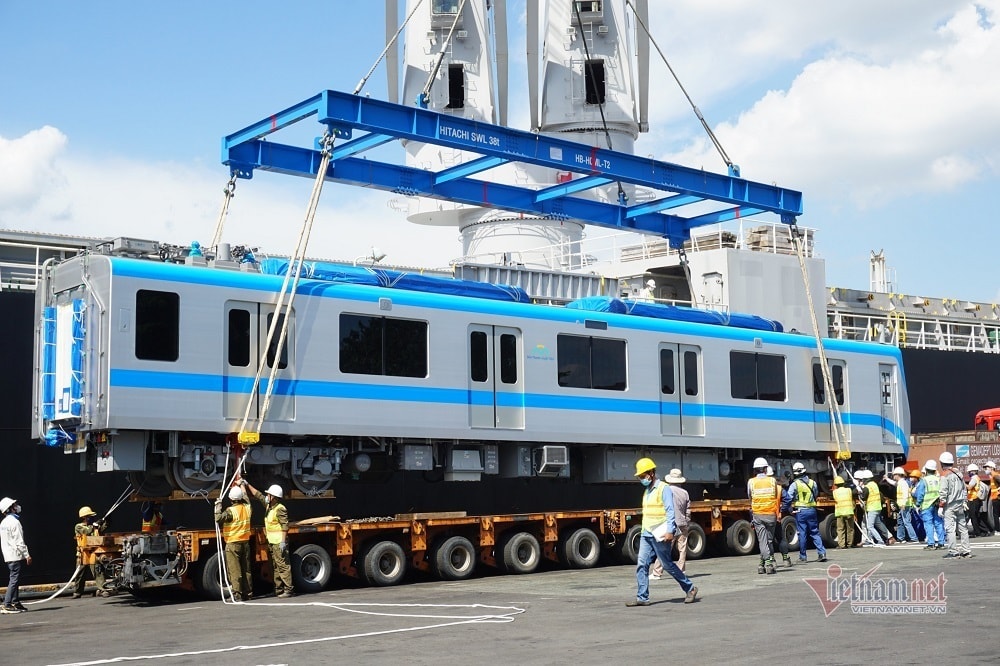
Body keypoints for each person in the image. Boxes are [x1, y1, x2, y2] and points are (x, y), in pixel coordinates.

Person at [626, 458, 698, 607]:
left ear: (651, 473)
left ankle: (690, 588)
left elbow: (670, 511)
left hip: (661, 534)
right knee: (642, 564)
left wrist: (670, 531)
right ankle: (642, 597)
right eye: (639, 477)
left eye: (642, 475)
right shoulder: (647, 491)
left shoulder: (663, 488)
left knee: (667, 565)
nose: (641, 479)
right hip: (647, 533)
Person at [245, 481, 294, 598]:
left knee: (283, 566)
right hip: (272, 542)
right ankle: (278, 590)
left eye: (269, 495)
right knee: (275, 567)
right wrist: (247, 484)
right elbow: (258, 495)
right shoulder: (269, 507)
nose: (266, 496)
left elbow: (285, 526)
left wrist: (282, 541)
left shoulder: (280, 509)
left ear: (274, 497)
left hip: (278, 542)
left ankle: (288, 589)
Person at [215, 483, 253, 601]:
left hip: (233, 543)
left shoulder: (231, 511)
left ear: (230, 499)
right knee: (246, 569)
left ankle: (237, 595)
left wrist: (218, 507)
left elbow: (218, 518)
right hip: (245, 542)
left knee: (234, 570)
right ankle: (248, 593)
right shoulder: (247, 508)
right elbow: (246, 498)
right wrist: (242, 485)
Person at [651, 468, 690, 578]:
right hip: (683, 523)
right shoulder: (685, 493)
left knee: (664, 548)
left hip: (671, 524)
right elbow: (688, 510)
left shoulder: (667, 490)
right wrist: (686, 521)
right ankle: (681, 570)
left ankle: (657, 572)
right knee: (682, 548)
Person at [786, 462, 827, 562]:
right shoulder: (813, 482)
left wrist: (790, 509)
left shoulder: (794, 485)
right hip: (812, 510)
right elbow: (815, 494)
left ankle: (803, 556)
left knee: (802, 533)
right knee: (814, 532)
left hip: (801, 511)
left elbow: (788, 498)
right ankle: (822, 553)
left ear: (795, 473)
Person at [748, 457, 781, 574]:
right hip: (771, 514)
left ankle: (766, 563)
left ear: (755, 470)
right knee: (769, 540)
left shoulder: (751, 482)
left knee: (763, 541)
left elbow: (750, 497)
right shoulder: (773, 481)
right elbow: (776, 496)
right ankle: (762, 564)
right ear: (765, 469)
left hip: (758, 514)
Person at [71, 506, 112, 598]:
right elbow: (87, 531)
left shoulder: (94, 526)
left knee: (98, 571)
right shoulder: (79, 526)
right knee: (79, 574)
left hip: (93, 552)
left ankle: (102, 589)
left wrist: (107, 520)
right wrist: (94, 525)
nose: (92, 518)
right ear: (84, 517)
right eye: (90, 516)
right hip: (83, 554)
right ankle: (78, 592)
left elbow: (103, 528)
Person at [938, 451, 971, 558]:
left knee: (950, 529)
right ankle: (966, 550)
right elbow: (964, 488)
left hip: (950, 505)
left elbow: (943, 492)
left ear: (942, 463)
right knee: (963, 527)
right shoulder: (959, 473)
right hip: (960, 503)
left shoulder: (944, 475)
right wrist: (965, 501)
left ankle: (953, 551)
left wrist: (941, 506)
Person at [0, 497, 31, 614]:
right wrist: (27, 555)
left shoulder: (3, 523)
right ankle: (7, 604)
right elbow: (19, 541)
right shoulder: (15, 522)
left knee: (15, 579)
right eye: (14, 505)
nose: (17, 506)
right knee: (14, 579)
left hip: (8, 555)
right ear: (10, 508)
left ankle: (15, 602)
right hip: (15, 555)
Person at [913, 460, 945, 549]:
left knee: (928, 524)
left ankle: (931, 544)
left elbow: (920, 494)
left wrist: (918, 504)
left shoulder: (924, 480)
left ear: (926, 470)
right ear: (935, 470)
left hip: (927, 505)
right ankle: (941, 543)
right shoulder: (938, 479)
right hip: (937, 504)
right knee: (938, 523)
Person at [857, 469, 895, 546]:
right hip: (877, 507)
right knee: (879, 524)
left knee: (870, 526)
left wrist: (860, 490)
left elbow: (863, 497)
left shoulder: (867, 487)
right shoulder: (874, 484)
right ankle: (872, 539)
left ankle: (880, 541)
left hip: (872, 508)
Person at [768, 466, 794, 567]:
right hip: (775, 517)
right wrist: (781, 510)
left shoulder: (760, 487)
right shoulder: (778, 488)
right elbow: (788, 499)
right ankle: (786, 559)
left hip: (763, 516)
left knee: (768, 540)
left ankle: (772, 560)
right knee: (780, 538)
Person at [886, 467, 918, 543]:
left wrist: (903, 504)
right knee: (900, 522)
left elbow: (905, 494)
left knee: (906, 522)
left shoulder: (903, 483)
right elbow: (893, 483)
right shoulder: (900, 483)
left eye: (894, 475)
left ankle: (914, 538)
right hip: (902, 506)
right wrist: (887, 479)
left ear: (898, 475)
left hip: (905, 506)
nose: (893, 477)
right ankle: (900, 538)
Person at [831, 476, 856, 549]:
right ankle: (849, 544)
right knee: (850, 529)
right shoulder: (848, 490)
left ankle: (841, 545)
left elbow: (834, 498)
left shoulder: (834, 492)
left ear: (835, 484)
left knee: (840, 529)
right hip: (849, 511)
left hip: (840, 512)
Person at [965, 464, 988, 538]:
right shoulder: (977, 477)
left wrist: (963, 483)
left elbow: (969, 487)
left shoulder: (974, 478)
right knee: (977, 516)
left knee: (973, 516)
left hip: (973, 500)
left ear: (973, 471)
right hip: (975, 499)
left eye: (969, 472)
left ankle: (977, 532)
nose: (969, 473)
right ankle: (983, 530)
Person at [984, 461, 1000, 535]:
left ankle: (997, 530)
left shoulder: (994, 475)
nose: (986, 469)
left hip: (996, 498)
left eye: (987, 468)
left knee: (995, 515)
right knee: (996, 514)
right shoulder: (993, 475)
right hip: (995, 497)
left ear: (991, 468)